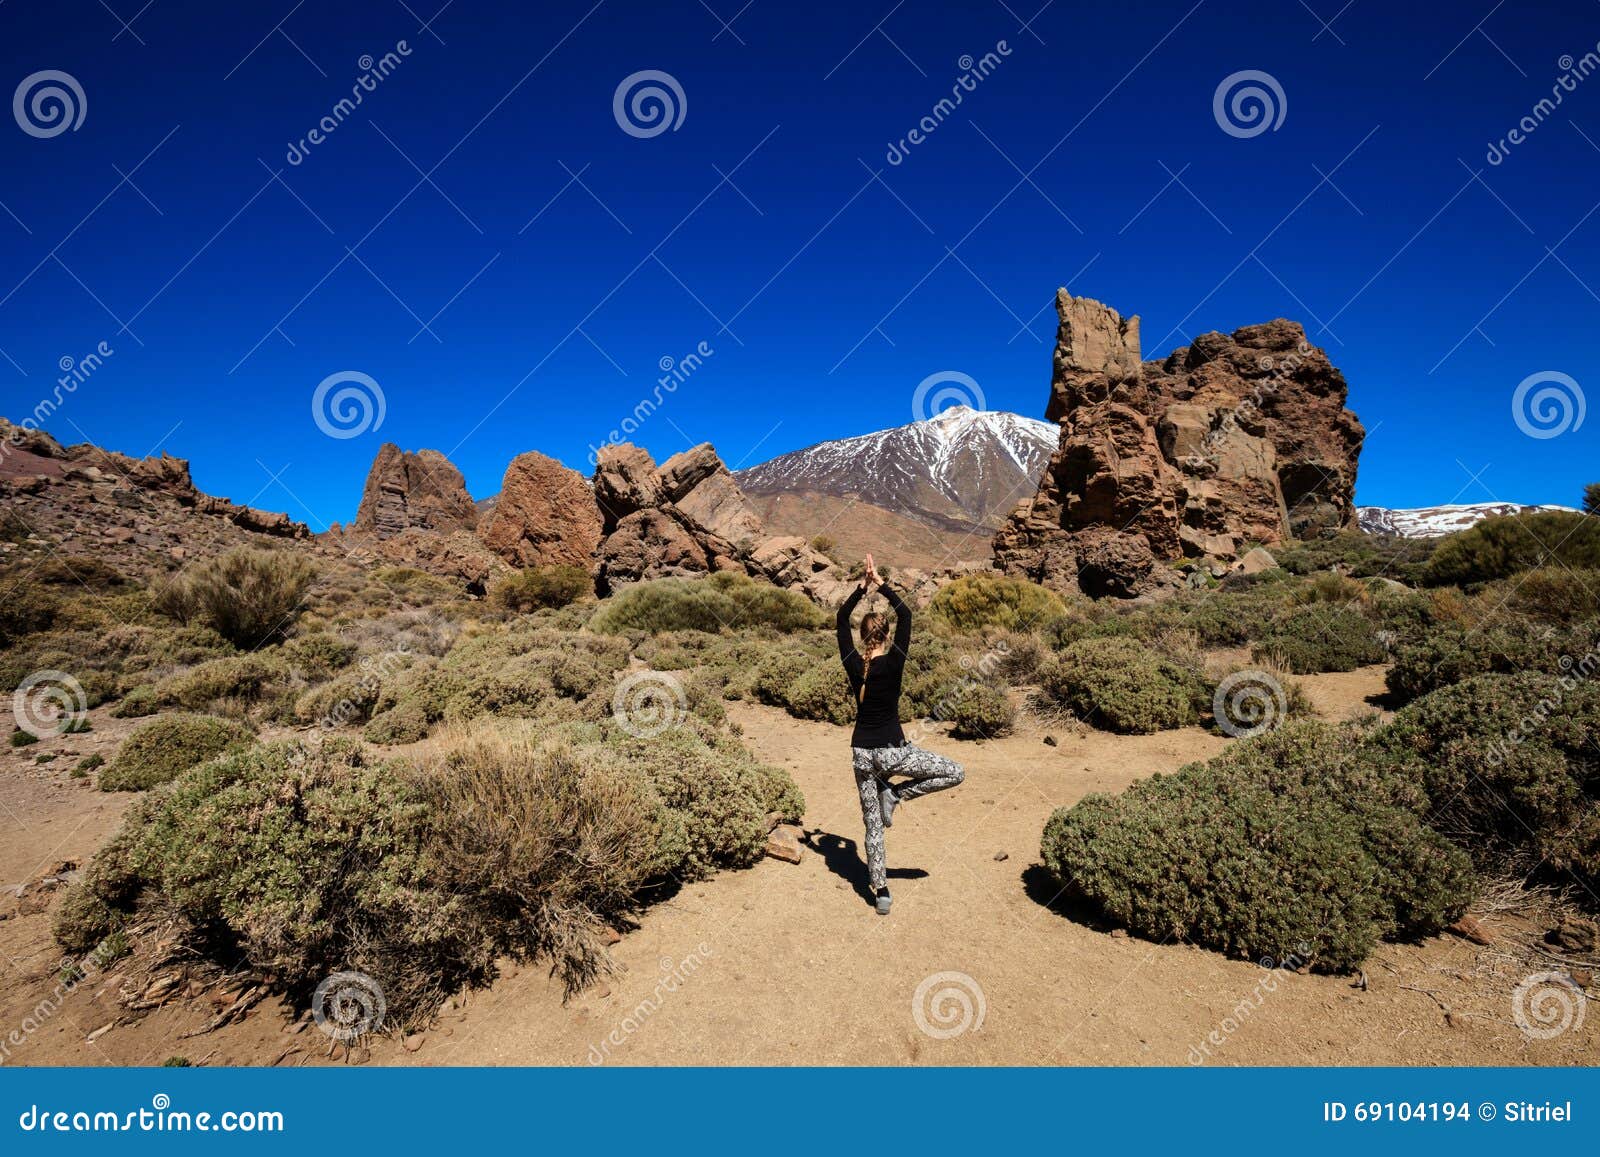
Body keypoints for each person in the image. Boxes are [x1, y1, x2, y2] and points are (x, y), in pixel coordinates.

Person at [836, 553, 964, 915]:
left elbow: (840, 618)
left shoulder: (852, 663)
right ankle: (896, 793)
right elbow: (906, 613)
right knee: (954, 771)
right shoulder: (895, 660)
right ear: (888, 635)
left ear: (862, 637)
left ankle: (881, 892)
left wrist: (861, 588)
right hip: (894, 752)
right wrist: (880, 584)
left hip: (862, 754)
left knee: (872, 825)